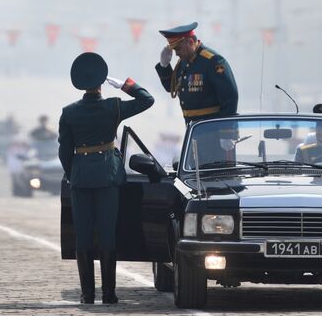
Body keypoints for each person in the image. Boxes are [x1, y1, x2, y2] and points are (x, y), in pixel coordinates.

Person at [58, 52, 154, 304]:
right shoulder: (113, 106)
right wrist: (125, 84)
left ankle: (87, 294)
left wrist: (74, 173)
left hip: (81, 177)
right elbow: (147, 100)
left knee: (83, 235)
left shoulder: (68, 112)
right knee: (108, 234)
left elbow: (64, 151)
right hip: (108, 176)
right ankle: (109, 294)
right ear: (102, 82)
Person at [155, 22, 238, 126]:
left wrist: (227, 133)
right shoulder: (184, 61)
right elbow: (171, 88)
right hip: (193, 128)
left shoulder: (213, 61)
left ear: (190, 42)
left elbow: (230, 98)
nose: (176, 53)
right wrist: (164, 65)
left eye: (178, 48)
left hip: (213, 128)